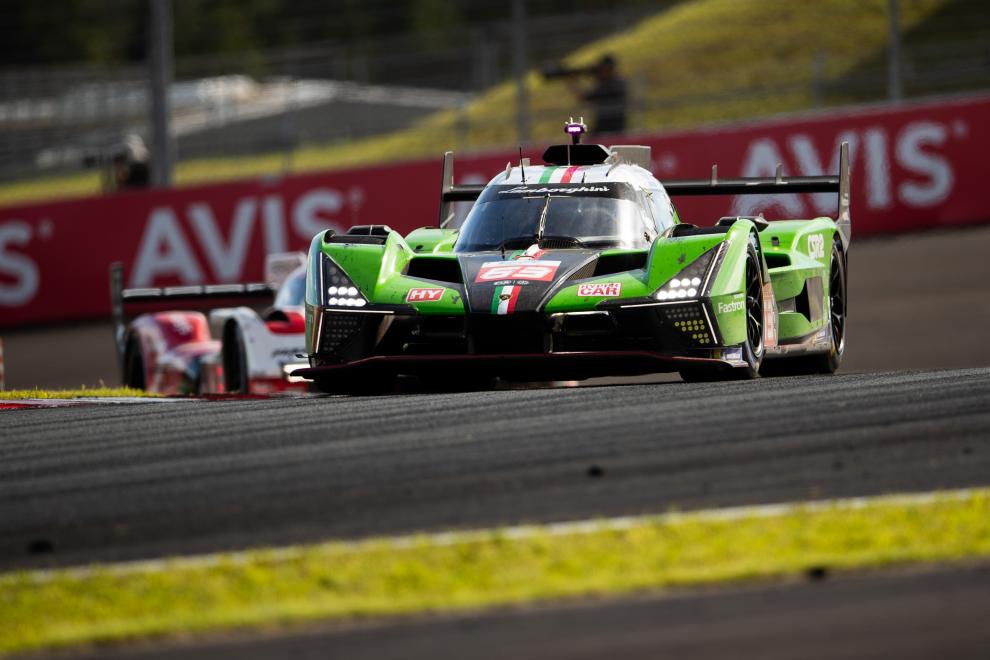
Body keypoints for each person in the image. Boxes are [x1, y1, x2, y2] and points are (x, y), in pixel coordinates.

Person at [569, 54, 628, 135]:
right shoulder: (609, 83)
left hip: (612, 128)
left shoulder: (614, 85)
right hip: (604, 127)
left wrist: (574, 82)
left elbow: (586, 97)